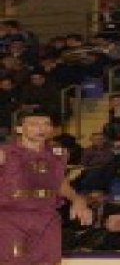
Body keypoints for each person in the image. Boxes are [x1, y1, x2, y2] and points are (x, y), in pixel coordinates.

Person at [0, 108, 92, 263]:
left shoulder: (59, 153)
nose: (41, 128)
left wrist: (77, 199)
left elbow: (59, 182)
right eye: (34, 124)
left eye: (46, 124)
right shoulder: (5, 153)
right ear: (19, 129)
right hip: (11, 217)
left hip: (47, 217)